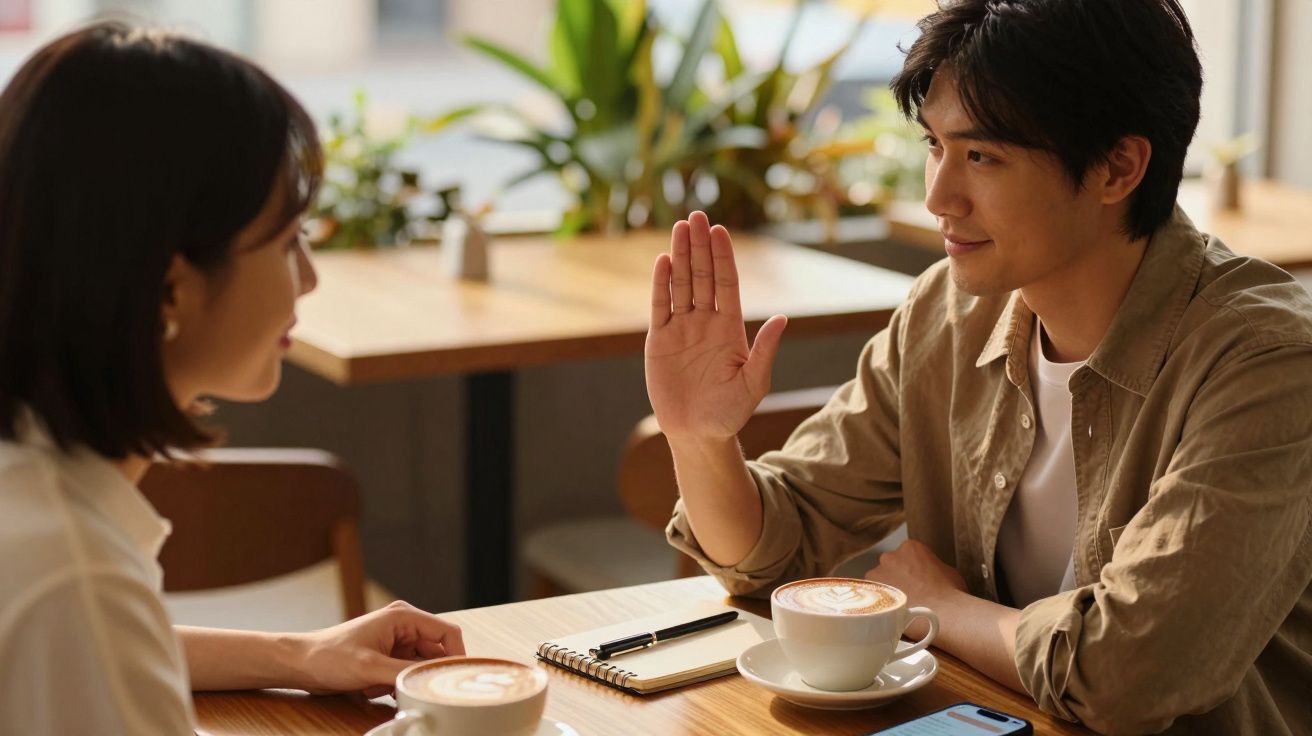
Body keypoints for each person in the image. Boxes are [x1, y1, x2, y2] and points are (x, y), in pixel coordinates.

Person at [645, 1, 1311, 734]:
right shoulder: (950, 317)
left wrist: (945, 609)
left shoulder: (1269, 364)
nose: (937, 196)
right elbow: (779, 546)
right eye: (934, 145)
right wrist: (700, 439)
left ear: (1119, 167)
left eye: (983, 156)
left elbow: (1132, 675)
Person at [0, 22, 464, 734]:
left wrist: (299, 655)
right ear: (169, 293)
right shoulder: (74, 579)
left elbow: (95, 651)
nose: (307, 281)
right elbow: (86, 624)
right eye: (286, 244)